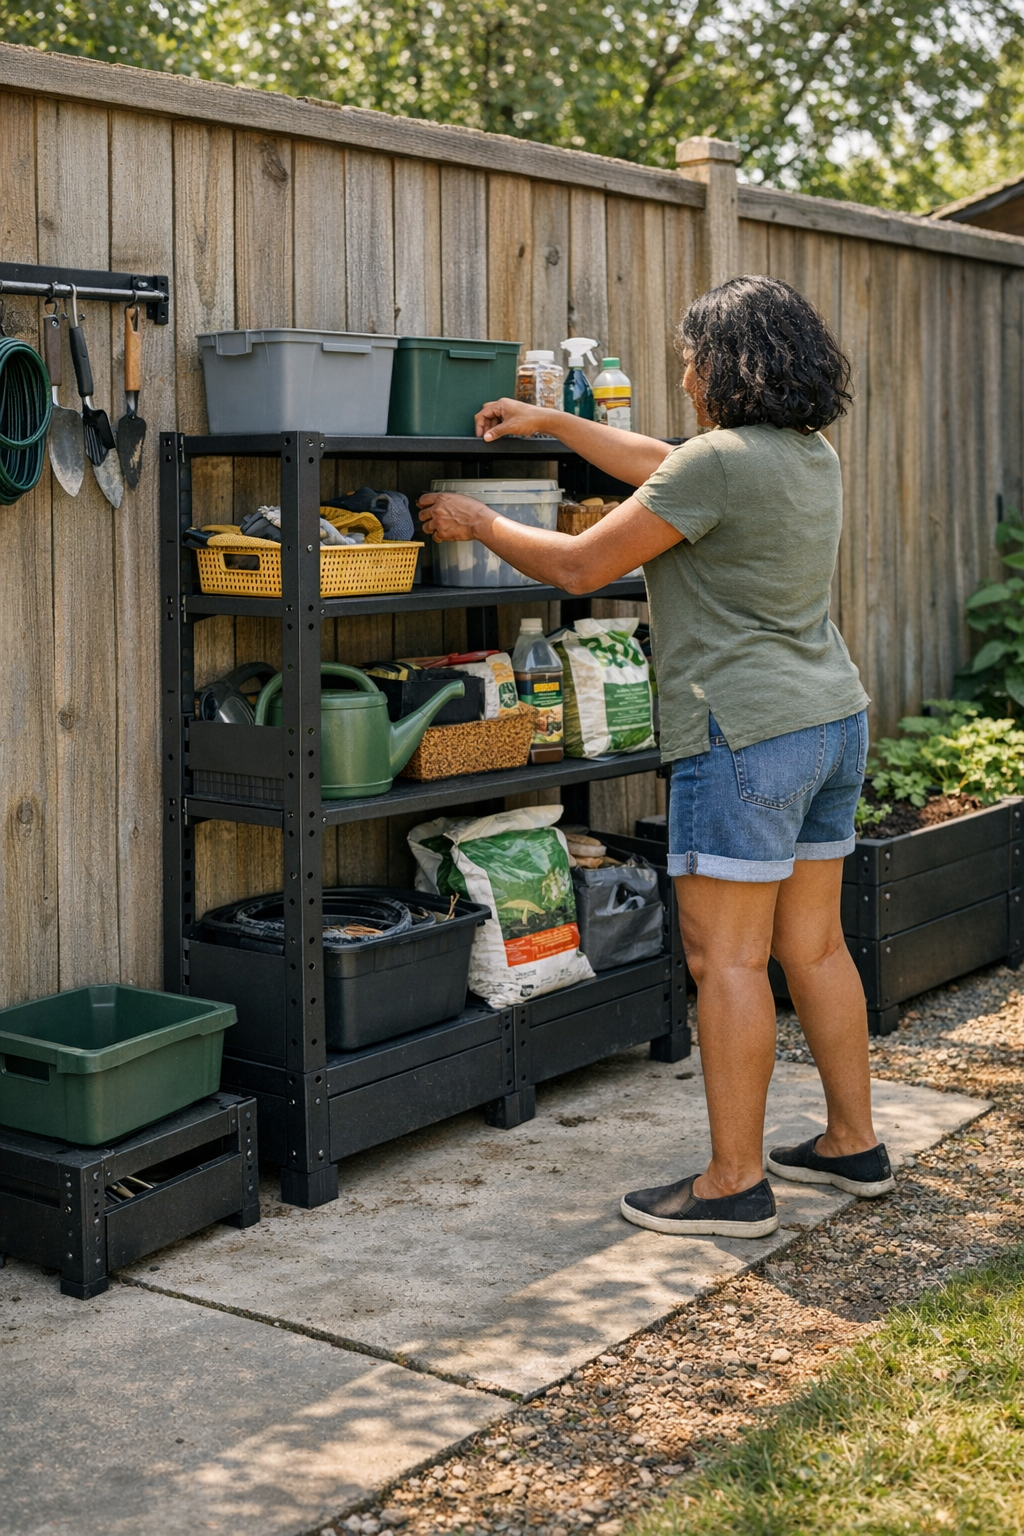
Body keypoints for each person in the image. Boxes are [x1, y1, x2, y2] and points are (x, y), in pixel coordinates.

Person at [418, 274, 895, 1239]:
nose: (683, 378)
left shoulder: (719, 464)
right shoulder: (806, 452)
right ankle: (854, 1143)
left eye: (689, 360)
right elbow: (662, 462)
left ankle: (734, 1184)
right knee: (814, 946)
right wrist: (553, 422)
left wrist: (478, 522)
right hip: (830, 722)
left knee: (726, 960)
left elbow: (578, 567)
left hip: (744, 734)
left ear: (726, 363)